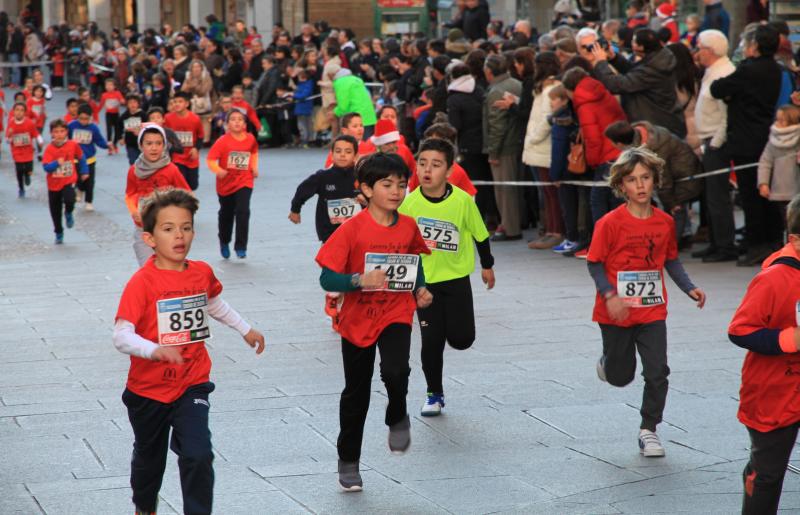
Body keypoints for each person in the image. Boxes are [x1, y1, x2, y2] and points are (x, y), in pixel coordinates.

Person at [113, 188, 265, 515]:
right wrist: (153, 350)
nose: (179, 235)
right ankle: (144, 507)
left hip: (191, 381)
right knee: (149, 460)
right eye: (168, 229)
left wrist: (244, 328)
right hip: (148, 390)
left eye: (186, 227)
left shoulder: (201, 272)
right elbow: (121, 336)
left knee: (199, 454)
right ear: (150, 238)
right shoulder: (142, 283)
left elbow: (213, 303)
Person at [315, 152, 432, 492]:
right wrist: (357, 281)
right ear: (365, 189)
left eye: (401, 184)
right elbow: (327, 279)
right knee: (357, 392)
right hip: (356, 319)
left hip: (396, 310)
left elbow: (413, 260)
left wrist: (420, 287)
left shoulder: (408, 225)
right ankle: (348, 460)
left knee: (397, 371)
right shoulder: (351, 230)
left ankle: (397, 414)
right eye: (386, 184)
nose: (396, 191)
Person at [587, 147, 706, 458]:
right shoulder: (610, 223)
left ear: (655, 181)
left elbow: (671, 260)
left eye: (645, 178)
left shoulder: (665, 222)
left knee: (657, 371)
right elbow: (595, 263)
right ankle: (607, 362)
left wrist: (689, 287)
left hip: (652, 310)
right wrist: (610, 295)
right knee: (620, 376)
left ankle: (648, 429)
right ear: (621, 186)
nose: (639, 185)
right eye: (631, 180)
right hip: (615, 312)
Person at [398, 138, 495, 416]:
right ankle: (434, 393)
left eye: (436, 164)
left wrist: (487, 265)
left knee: (462, 339)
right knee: (431, 341)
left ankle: (455, 335)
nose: (427, 170)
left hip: (457, 279)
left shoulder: (463, 201)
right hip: (424, 283)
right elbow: (399, 243)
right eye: (422, 163)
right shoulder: (410, 204)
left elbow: (480, 234)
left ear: (449, 171)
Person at [728, 193, 800, 514]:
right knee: (769, 474)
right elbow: (739, 329)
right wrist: (788, 339)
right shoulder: (772, 279)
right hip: (775, 392)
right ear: (796, 239)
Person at [711, 24, 783, 266]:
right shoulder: (775, 69)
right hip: (764, 134)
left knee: (750, 195)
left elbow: (718, 88)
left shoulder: (748, 70)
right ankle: (772, 241)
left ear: (755, 46)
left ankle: (757, 245)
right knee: (766, 194)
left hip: (745, 139)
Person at [289, 135, 361, 330]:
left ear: (356, 154)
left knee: (352, 272)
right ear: (332, 153)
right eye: (338, 151)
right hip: (331, 234)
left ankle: (342, 307)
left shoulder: (361, 177)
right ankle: (333, 299)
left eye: (348, 152)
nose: (342, 155)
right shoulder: (323, 177)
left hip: (358, 234)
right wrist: (295, 209)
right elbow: (303, 189)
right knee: (335, 269)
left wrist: (366, 199)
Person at [604, 120, 703, 241]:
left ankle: (669, 248)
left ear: (619, 143)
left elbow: (663, 178)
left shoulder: (655, 149)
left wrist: (671, 202)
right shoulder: (643, 137)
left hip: (683, 177)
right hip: (678, 176)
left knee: (676, 209)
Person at [591, 28, 685, 138]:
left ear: (641, 47)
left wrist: (601, 62)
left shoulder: (653, 69)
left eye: (634, 41)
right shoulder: (658, 59)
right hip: (661, 124)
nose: (631, 43)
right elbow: (635, 72)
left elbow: (616, 85)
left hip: (657, 129)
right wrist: (614, 58)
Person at [562, 67, 626, 227]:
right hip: (620, 150)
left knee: (597, 201)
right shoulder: (601, 92)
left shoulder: (584, 105)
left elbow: (593, 138)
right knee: (615, 200)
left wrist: (591, 162)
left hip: (605, 156)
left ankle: (604, 241)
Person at [125, 123, 191, 265]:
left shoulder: (171, 169)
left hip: (168, 227)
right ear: (141, 145)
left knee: (168, 264)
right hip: (143, 225)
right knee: (147, 265)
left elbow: (186, 194)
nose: (154, 148)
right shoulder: (134, 170)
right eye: (149, 143)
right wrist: (134, 210)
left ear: (164, 145)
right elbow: (130, 194)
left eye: (158, 143)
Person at [523, 51, 563, 250]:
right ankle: (550, 229)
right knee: (547, 192)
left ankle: (556, 231)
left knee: (552, 192)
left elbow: (548, 119)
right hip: (538, 148)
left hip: (545, 147)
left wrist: (533, 138)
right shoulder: (541, 89)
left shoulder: (551, 90)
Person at [448, 64, 497, 227]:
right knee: (487, 181)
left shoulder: (454, 98)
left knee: (474, 183)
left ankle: (477, 217)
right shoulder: (480, 90)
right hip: (485, 141)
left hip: (467, 145)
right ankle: (492, 216)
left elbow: (455, 125)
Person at [207, 108, 259, 259]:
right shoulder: (222, 141)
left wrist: (254, 167)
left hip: (245, 180)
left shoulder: (250, 139)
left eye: (240, 119)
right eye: (233, 119)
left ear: (244, 123)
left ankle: (241, 246)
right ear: (227, 124)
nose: (237, 122)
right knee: (226, 214)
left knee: (243, 211)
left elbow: (254, 153)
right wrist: (218, 170)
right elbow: (210, 160)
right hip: (226, 184)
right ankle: (224, 241)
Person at [483, 54, 523, 241]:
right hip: (516, 141)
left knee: (503, 190)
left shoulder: (495, 92)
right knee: (512, 188)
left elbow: (497, 125)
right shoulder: (516, 83)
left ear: (489, 72)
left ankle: (509, 227)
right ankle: (512, 223)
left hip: (504, 146)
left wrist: (493, 151)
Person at [41, 119, 88, 244]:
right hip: (53, 185)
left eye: (62, 131)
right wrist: (57, 163)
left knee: (70, 199)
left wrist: (84, 171)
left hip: (68, 180)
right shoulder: (49, 149)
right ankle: (58, 232)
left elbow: (81, 157)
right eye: (56, 132)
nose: (59, 134)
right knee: (55, 210)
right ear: (51, 134)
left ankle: (68, 212)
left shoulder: (72, 145)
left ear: (67, 132)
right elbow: (46, 167)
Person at [407, 117, 477, 196]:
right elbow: (411, 194)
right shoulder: (419, 168)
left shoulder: (454, 170)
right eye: (427, 142)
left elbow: (469, 197)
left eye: (434, 143)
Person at [757, 104, 800, 229]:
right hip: (780, 189)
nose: (778, 123)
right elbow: (765, 161)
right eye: (777, 119)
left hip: (797, 188)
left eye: (782, 120)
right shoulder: (773, 140)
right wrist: (763, 183)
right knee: (786, 222)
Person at [68, 103, 113, 211]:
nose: (83, 121)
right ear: (77, 116)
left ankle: (89, 201)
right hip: (76, 159)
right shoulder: (71, 126)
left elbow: (99, 140)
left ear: (90, 117)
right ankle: (79, 188)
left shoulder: (93, 128)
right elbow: (66, 138)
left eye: (86, 119)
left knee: (90, 182)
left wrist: (107, 146)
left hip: (89, 160)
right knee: (78, 178)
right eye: (81, 119)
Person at [164, 92, 204, 191]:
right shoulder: (168, 118)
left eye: (180, 102)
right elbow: (166, 136)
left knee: (193, 185)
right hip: (176, 157)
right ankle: (182, 204)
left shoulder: (195, 119)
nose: (177, 104)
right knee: (180, 184)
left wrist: (196, 148)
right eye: (175, 102)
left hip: (191, 157)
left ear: (187, 104)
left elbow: (200, 136)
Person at [6, 101, 42, 198]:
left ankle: (28, 174)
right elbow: (7, 139)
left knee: (29, 168)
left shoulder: (29, 122)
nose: (19, 112)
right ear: (13, 111)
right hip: (17, 151)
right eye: (17, 110)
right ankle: (21, 188)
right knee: (19, 170)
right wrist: (9, 136)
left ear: (25, 112)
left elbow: (35, 133)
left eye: (21, 110)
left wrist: (40, 140)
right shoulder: (11, 123)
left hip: (28, 150)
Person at [332, 68, 377, 138]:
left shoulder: (340, 82)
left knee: (354, 145)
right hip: (369, 117)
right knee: (368, 145)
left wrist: (335, 112)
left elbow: (343, 106)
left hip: (355, 119)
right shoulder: (357, 80)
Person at [117, 94, 144, 165]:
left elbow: (148, 126)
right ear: (127, 104)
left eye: (135, 102)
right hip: (130, 143)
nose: (133, 104)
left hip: (142, 143)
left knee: (143, 161)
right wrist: (120, 138)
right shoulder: (124, 116)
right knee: (133, 161)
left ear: (138, 104)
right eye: (130, 103)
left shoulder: (143, 115)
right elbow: (118, 127)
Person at [98, 78, 125, 146]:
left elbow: (122, 100)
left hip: (116, 114)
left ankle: (114, 144)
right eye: (107, 85)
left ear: (114, 86)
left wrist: (122, 101)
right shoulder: (104, 95)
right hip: (108, 114)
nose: (109, 87)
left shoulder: (117, 93)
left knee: (116, 130)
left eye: (111, 85)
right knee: (109, 129)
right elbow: (101, 105)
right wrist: (95, 112)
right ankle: (109, 144)